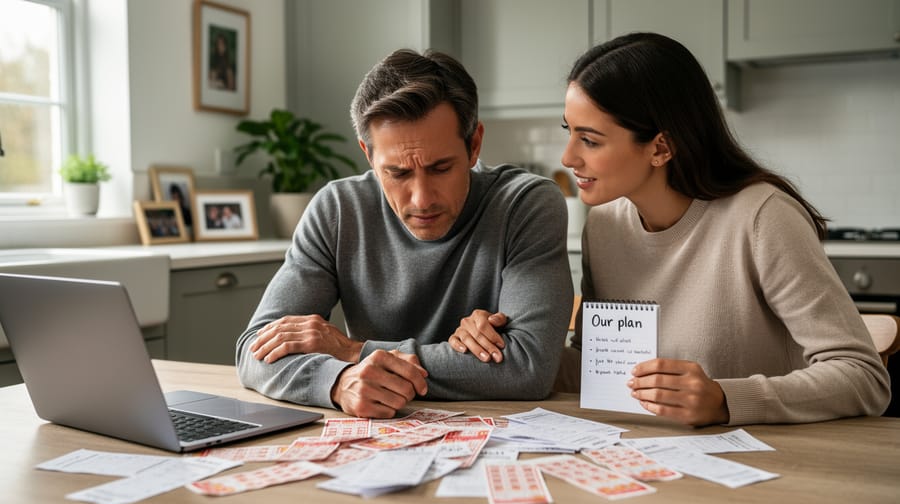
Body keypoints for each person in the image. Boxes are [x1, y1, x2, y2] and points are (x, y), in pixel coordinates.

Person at [558, 32, 890, 426]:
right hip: (653, 454)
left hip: (774, 465)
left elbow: (864, 377)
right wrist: (508, 348)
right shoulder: (602, 227)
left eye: (590, 140)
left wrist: (725, 399)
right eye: (570, 132)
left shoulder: (763, 218)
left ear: (661, 148)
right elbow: (595, 371)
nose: (568, 158)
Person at [236, 49, 573, 418]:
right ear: (368, 154)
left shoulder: (525, 204)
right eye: (397, 173)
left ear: (474, 144)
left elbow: (528, 367)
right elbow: (255, 350)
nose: (422, 198)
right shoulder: (337, 209)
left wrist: (352, 351)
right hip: (379, 438)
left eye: (441, 168)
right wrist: (337, 382)